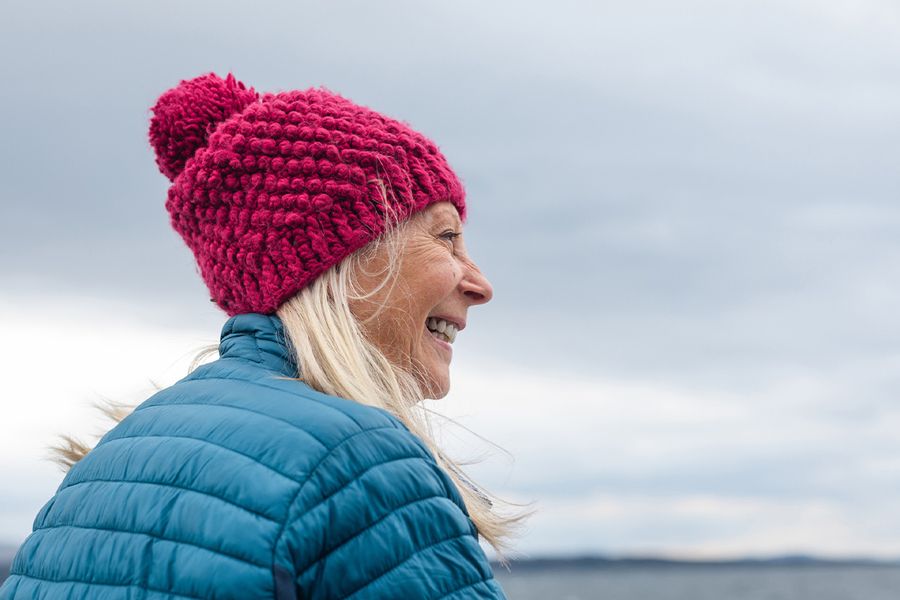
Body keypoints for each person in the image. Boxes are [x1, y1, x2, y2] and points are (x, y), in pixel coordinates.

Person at [0, 73, 530, 599]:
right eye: (446, 237)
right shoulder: (358, 463)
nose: (479, 285)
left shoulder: (98, 473)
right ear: (344, 258)